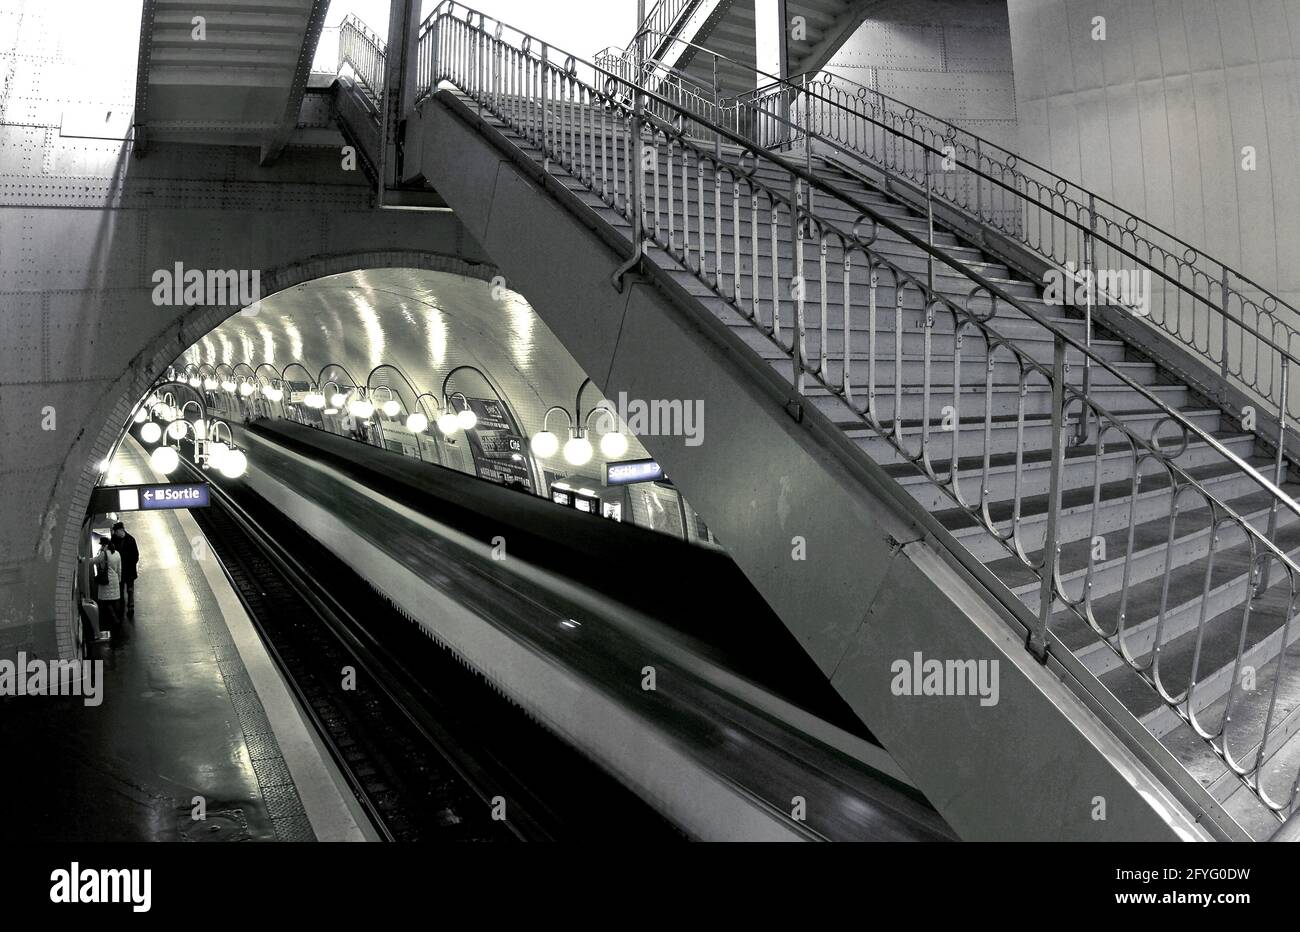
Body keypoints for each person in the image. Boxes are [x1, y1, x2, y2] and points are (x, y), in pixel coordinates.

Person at [92, 535, 122, 642]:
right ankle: (116, 621)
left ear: (104, 545)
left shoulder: (103, 554)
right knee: (114, 602)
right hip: (114, 581)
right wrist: (118, 580)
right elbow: (119, 569)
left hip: (106, 581)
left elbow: (93, 561)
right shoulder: (117, 553)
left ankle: (114, 621)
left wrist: (81, 560)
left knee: (106, 603)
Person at [112, 521, 139, 615]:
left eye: (116, 531)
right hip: (119, 571)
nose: (114, 533)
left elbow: (136, 555)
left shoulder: (131, 540)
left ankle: (130, 608)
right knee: (120, 590)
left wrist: (130, 564)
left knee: (130, 590)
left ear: (121, 530)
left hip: (130, 571)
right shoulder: (114, 539)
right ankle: (121, 608)